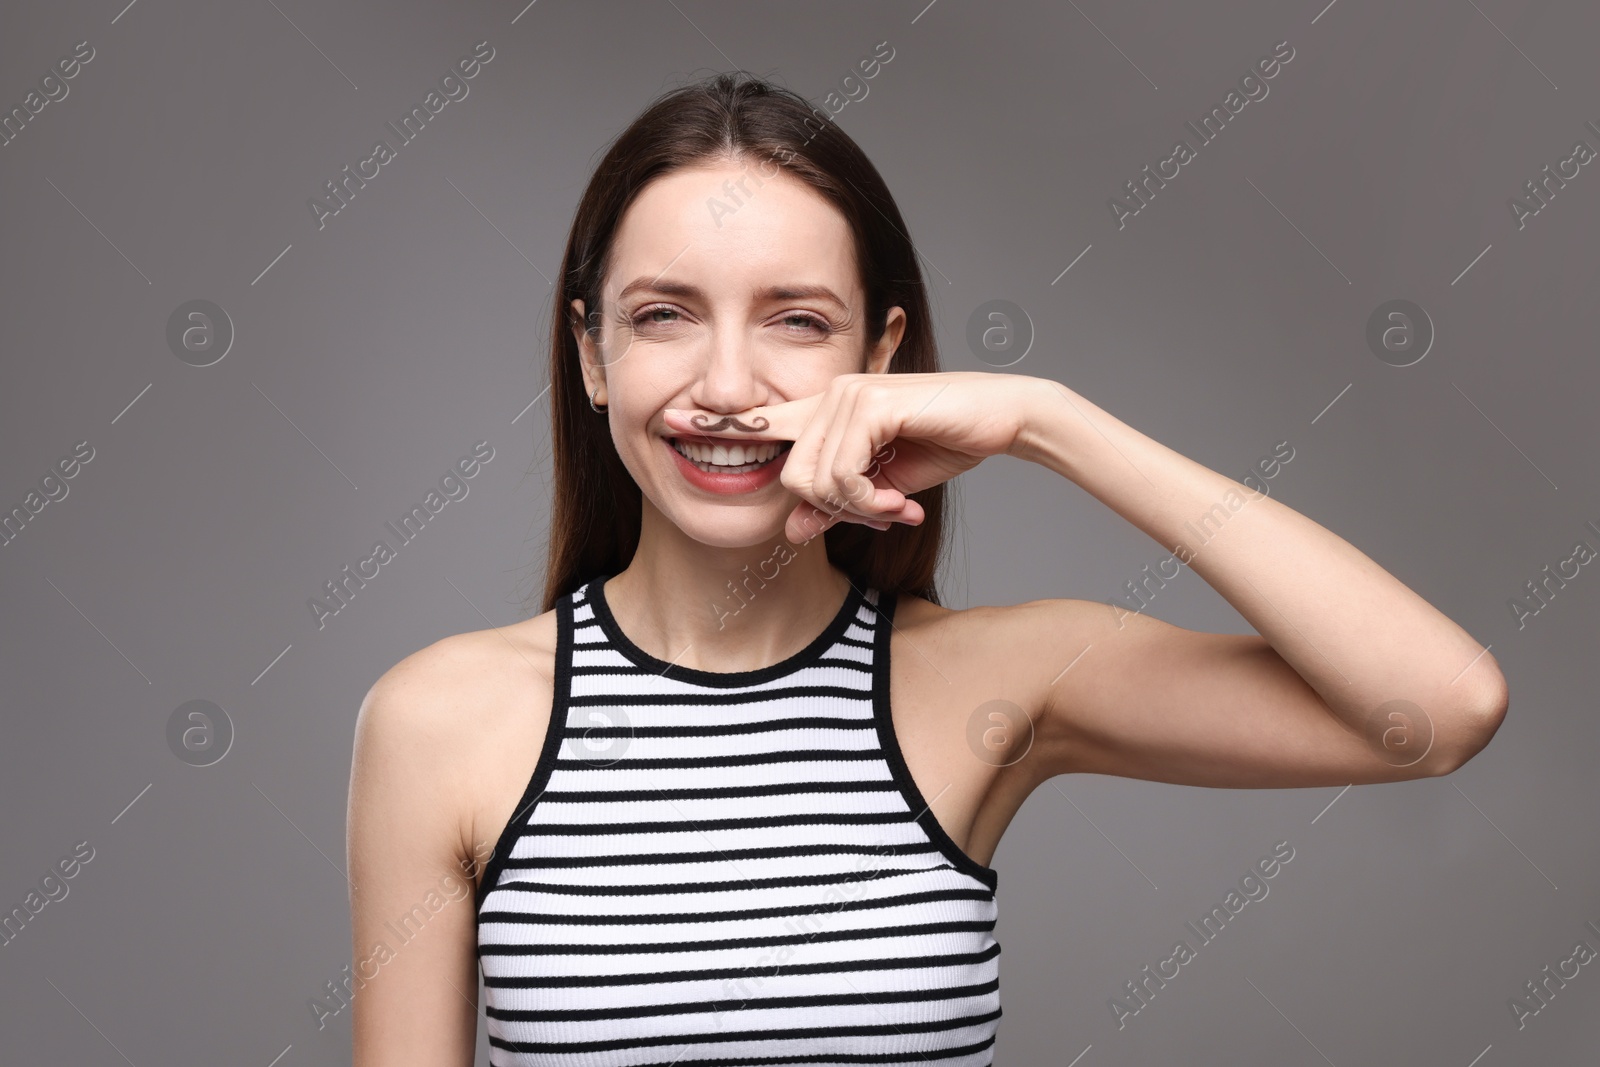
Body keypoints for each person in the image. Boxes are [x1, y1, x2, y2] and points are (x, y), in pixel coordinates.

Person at [345, 72, 1508, 1065]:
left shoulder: (998, 682)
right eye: (664, 316)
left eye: (796, 319)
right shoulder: (439, 722)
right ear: (592, 352)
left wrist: (1046, 419)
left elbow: (1438, 707)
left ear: (882, 353)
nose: (730, 384)